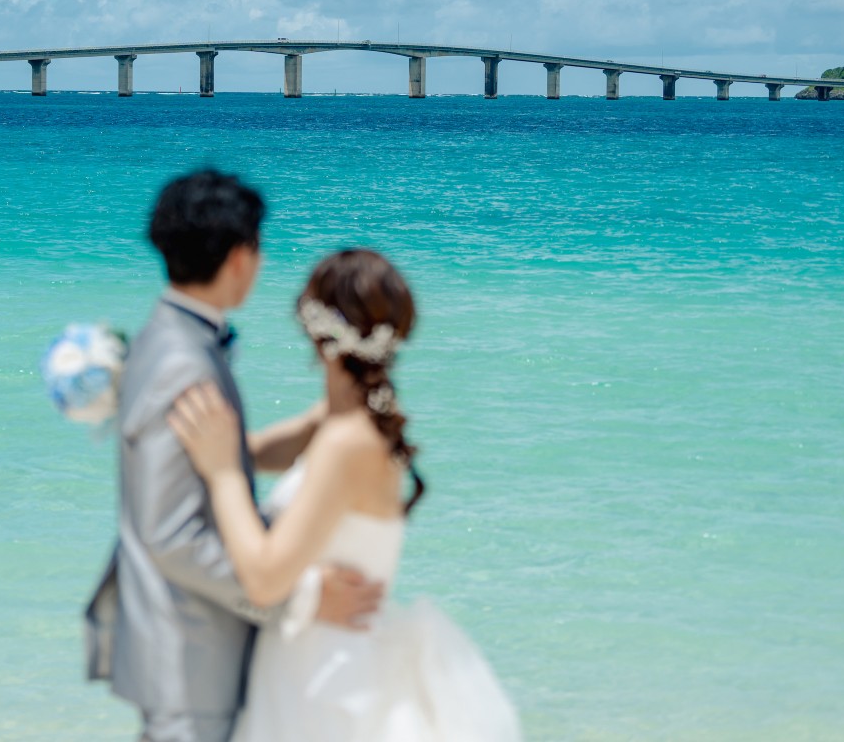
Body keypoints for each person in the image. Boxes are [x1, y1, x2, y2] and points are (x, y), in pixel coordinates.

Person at [170, 249, 522, 741]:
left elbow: (265, 579)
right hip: (321, 662)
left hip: (325, 682)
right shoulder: (351, 416)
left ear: (316, 329)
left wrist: (223, 474)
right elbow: (256, 450)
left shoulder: (346, 442)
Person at [85, 170, 383, 742]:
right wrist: (301, 598)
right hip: (190, 654)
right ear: (241, 258)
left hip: (185, 645)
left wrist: (324, 422)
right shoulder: (184, 364)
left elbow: (216, 460)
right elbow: (172, 535)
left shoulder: (165, 339)